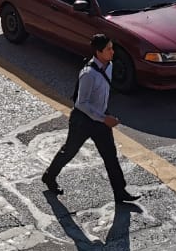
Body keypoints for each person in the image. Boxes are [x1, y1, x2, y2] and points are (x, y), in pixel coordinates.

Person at [42, 33, 139, 204]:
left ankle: (120, 192)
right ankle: (49, 176)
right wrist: (103, 118)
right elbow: (81, 103)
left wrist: (104, 115)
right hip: (83, 121)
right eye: (108, 49)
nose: (113, 52)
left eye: (112, 48)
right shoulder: (88, 74)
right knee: (70, 151)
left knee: (110, 156)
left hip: (100, 119)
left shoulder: (109, 66)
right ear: (98, 52)